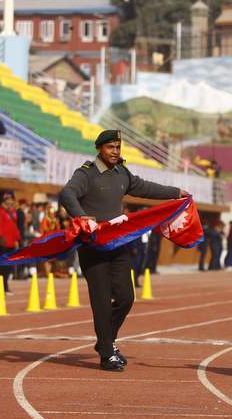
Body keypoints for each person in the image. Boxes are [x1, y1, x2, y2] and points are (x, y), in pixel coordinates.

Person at [59, 129, 187, 372]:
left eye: (118, 148)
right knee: (102, 301)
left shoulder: (122, 172)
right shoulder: (86, 173)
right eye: (110, 148)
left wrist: (174, 193)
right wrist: (81, 216)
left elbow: (144, 187)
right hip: (93, 246)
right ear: (100, 149)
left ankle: (104, 341)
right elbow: (67, 193)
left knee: (127, 297)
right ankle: (107, 354)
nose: (115, 152)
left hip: (118, 245)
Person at [0, 192, 21, 294]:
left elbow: (15, 227)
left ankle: (5, 287)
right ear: (3, 200)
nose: (9, 201)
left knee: (8, 267)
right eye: (7, 199)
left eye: (10, 199)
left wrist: (17, 239)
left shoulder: (13, 212)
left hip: (11, 244)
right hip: (1, 243)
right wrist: (0, 236)